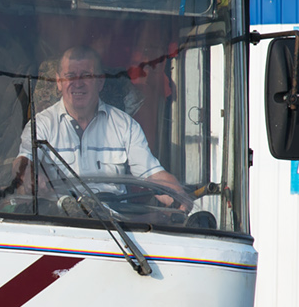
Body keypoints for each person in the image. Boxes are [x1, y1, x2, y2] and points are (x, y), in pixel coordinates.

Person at [12, 45, 189, 207]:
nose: (78, 83)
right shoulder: (41, 124)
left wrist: (180, 200)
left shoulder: (125, 125)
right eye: (70, 76)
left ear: (101, 81)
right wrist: (28, 174)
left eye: (87, 76)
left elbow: (152, 174)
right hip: (60, 223)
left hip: (115, 227)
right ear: (58, 82)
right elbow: (24, 161)